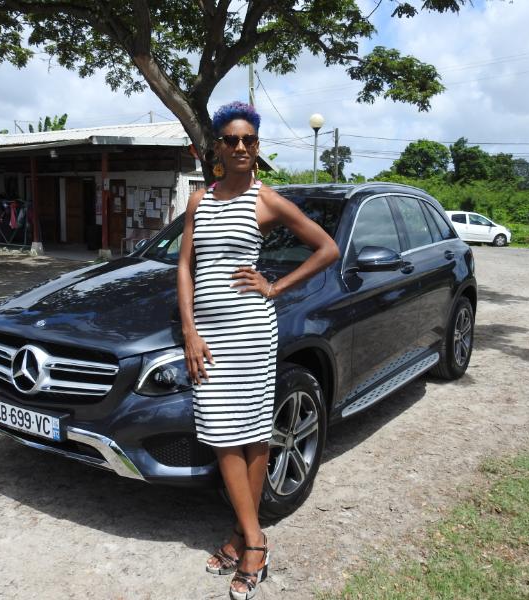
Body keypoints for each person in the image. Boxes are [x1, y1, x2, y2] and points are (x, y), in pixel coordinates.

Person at [177, 101, 339, 600]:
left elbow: (327, 248)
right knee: (223, 435)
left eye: (249, 139)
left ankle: (249, 543)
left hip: (250, 332)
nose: (241, 146)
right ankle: (251, 537)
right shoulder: (199, 201)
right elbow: (184, 267)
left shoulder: (266, 200)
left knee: (249, 437)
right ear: (218, 148)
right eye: (232, 139)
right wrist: (190, 331)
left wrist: (275, 286)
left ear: (257, 146)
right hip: (209, 336)